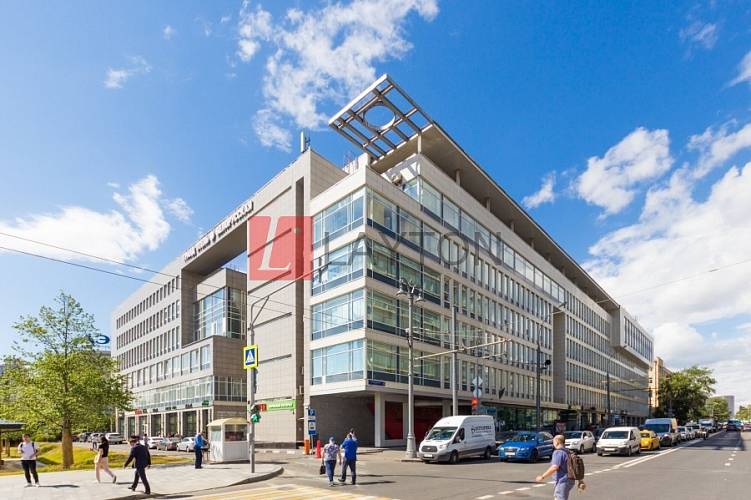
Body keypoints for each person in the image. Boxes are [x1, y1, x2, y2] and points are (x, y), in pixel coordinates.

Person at [536, 434, 575, 500]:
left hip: (562, 481)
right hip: (570, 480)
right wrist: (580, 481)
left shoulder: (558, 452)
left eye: (553, 442)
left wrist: (542, 476)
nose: (553, 444)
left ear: (557, 442)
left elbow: (554, 467)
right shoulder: (568, 452)